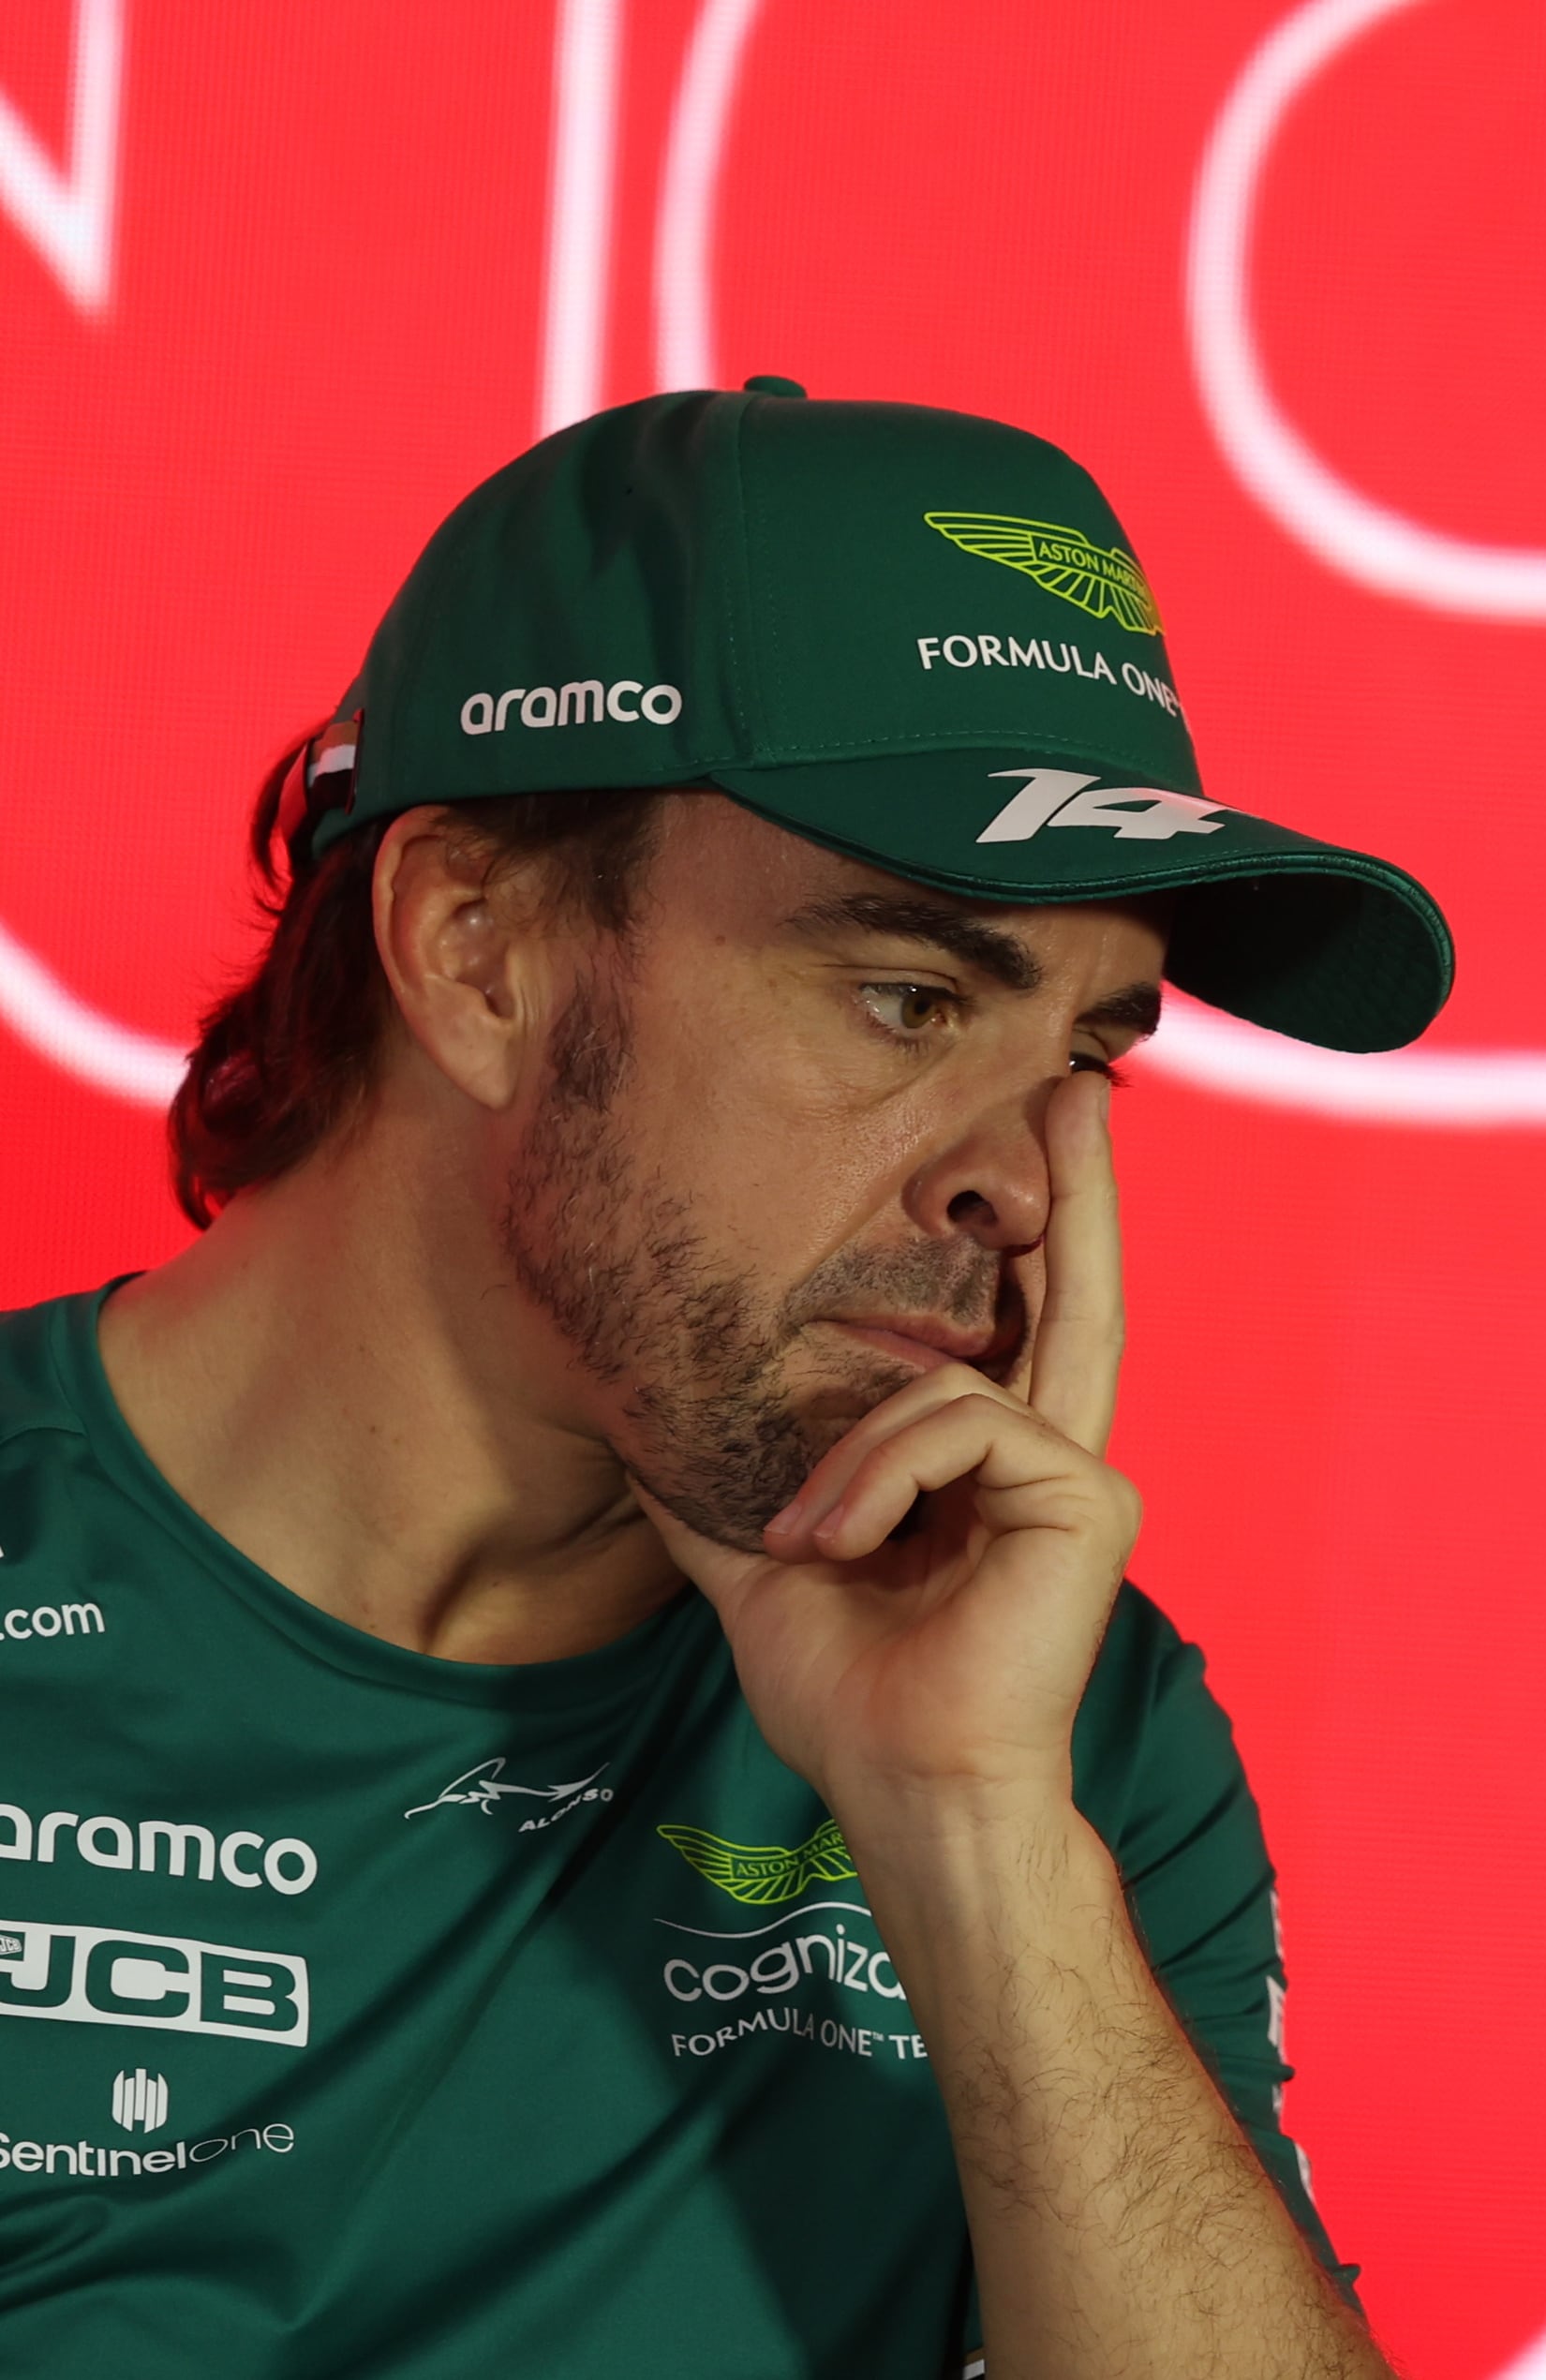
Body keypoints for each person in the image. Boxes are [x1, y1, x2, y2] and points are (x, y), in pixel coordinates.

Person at [0, 378, 1454, 2377]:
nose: (1015, 1180)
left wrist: (970, 1829)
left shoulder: (1056, 1734)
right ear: (478, 949)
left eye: (1086, 1055)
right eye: (907, 997)